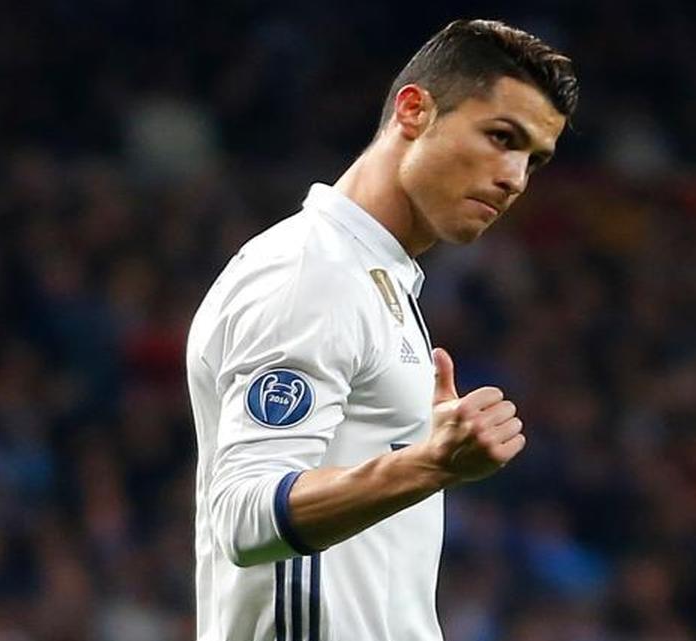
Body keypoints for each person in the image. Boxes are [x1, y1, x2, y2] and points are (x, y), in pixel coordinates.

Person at [186, 18, 578, 641]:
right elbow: (244, 516)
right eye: (501, 136)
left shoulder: (380, 281)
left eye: (534, 159)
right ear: (414, 110)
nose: (515, 178)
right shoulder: (311, 274)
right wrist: (429, 464)